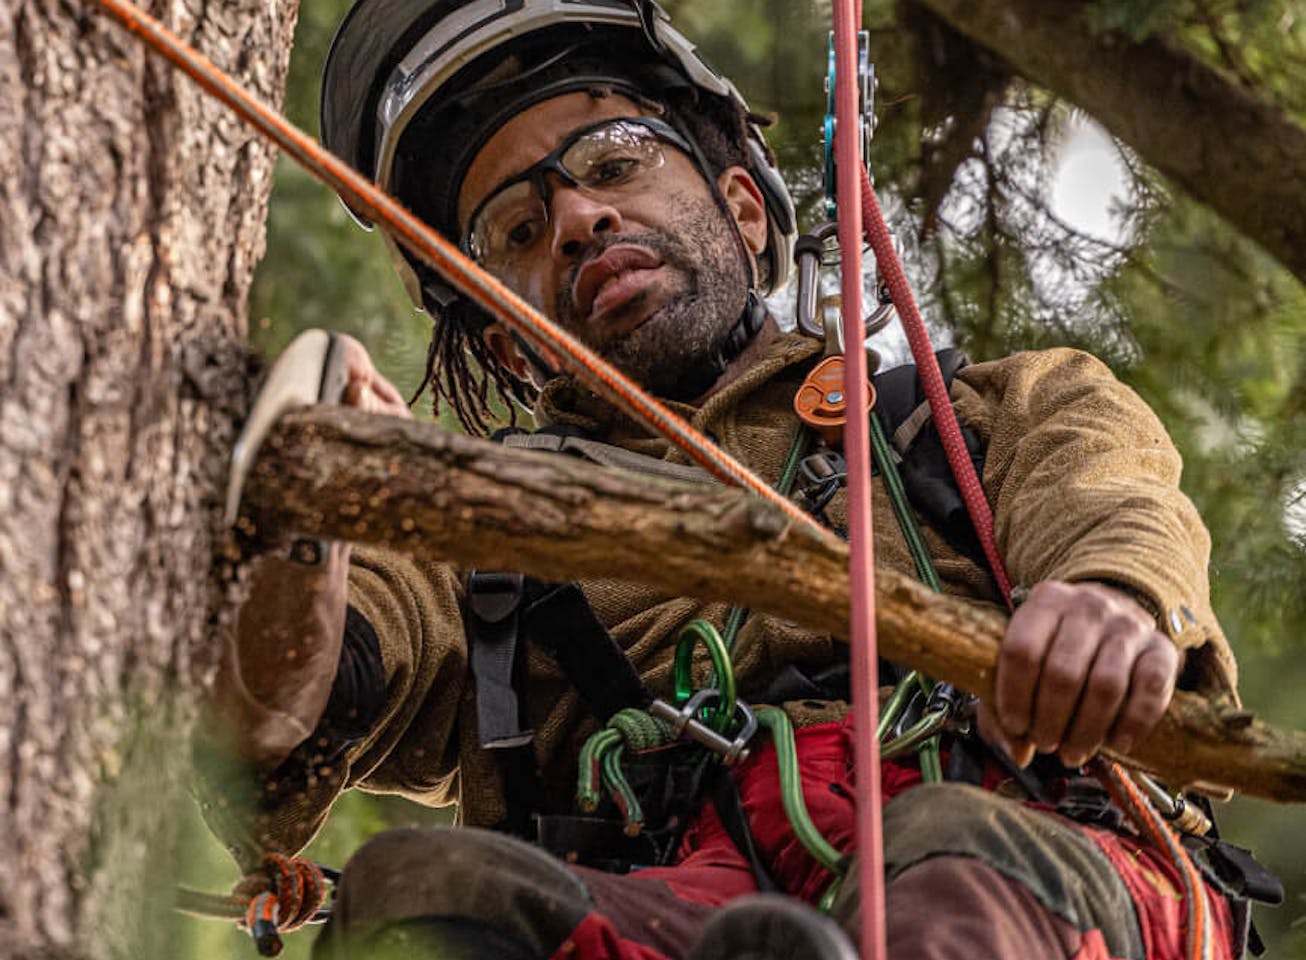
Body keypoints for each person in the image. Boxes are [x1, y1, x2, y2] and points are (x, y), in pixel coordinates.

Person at [199, 1, 1258, 957]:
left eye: (612, 163)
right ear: (511, 350)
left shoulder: (976, 416)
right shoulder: (473, 544)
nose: (576, 220)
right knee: (422, 889)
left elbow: (1112, 505)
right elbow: (275, 727)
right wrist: (312, 525)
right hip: (678, 901)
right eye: (516, 231)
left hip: (1025, 848)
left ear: (746, 211)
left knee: (947, 873)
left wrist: (1108, 607)